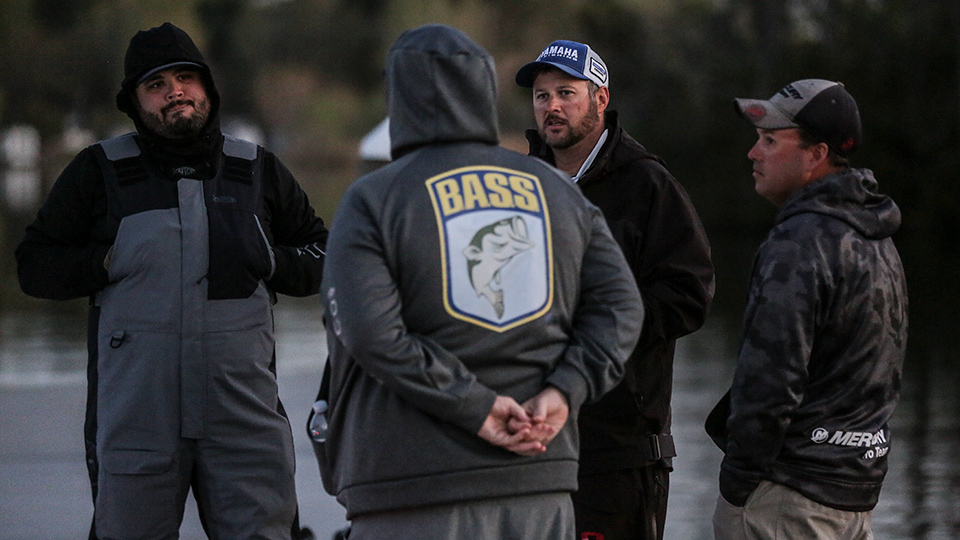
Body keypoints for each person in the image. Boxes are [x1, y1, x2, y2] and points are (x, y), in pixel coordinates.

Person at [312, 24, 644, 540]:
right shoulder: (558, 190)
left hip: (412, 488)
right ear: (482, 90)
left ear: (400, 95)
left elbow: (371, 335)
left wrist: (479, 409)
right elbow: (623, 308)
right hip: (542, 480)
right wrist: (565, 390)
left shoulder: (373, 199)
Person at [15, 22, 328, 540]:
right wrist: (107, 260)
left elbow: (324, 253)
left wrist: (272, 261)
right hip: (137, 423)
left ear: (207, 87)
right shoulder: (98, 171)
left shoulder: (257, 170)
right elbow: (33, 266)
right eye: (156, 85)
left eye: (185, 78)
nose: (175, 91)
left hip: (244, 422)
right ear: (134, 102)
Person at [515, 40, 715, 540]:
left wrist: (596, 327)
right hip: (527, 443)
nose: (552, 106)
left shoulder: (648, 184)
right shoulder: (520, 185)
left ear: (600, 99)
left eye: (566, 93)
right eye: (542, 96)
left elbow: (689, 295)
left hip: (619, 451)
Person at [707, 79, 908, 539]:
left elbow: (770, 383)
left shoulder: (798, 242)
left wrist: (737, 486)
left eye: (770, 141)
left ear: (816, 155)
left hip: (787, 500)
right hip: (854, 497)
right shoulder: (877, 236)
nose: (753, 154)